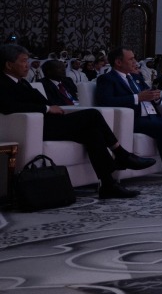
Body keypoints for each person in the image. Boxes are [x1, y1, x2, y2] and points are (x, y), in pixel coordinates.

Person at [0, 44, 152, 198]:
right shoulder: (2, 82)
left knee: (93, 133)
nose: (27, 65)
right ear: (9, 64)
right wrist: (46, 109)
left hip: (50, 123)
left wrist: (48, 107)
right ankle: (121, 154)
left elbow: (44, 102)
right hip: (35, 128)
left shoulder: (22, 82)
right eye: (23, 61)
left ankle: (108, 184)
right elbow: (9, 106)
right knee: (93, 115)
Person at [96, 46, 162, 185]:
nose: (135, 62)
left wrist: (155, 97)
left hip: (152, 116)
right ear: (118, 62)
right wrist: (137, 98)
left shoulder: (136, 77)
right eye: (131, 59)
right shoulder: (107, 79)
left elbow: (149, 95)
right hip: (134, 119)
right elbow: (106, 101)